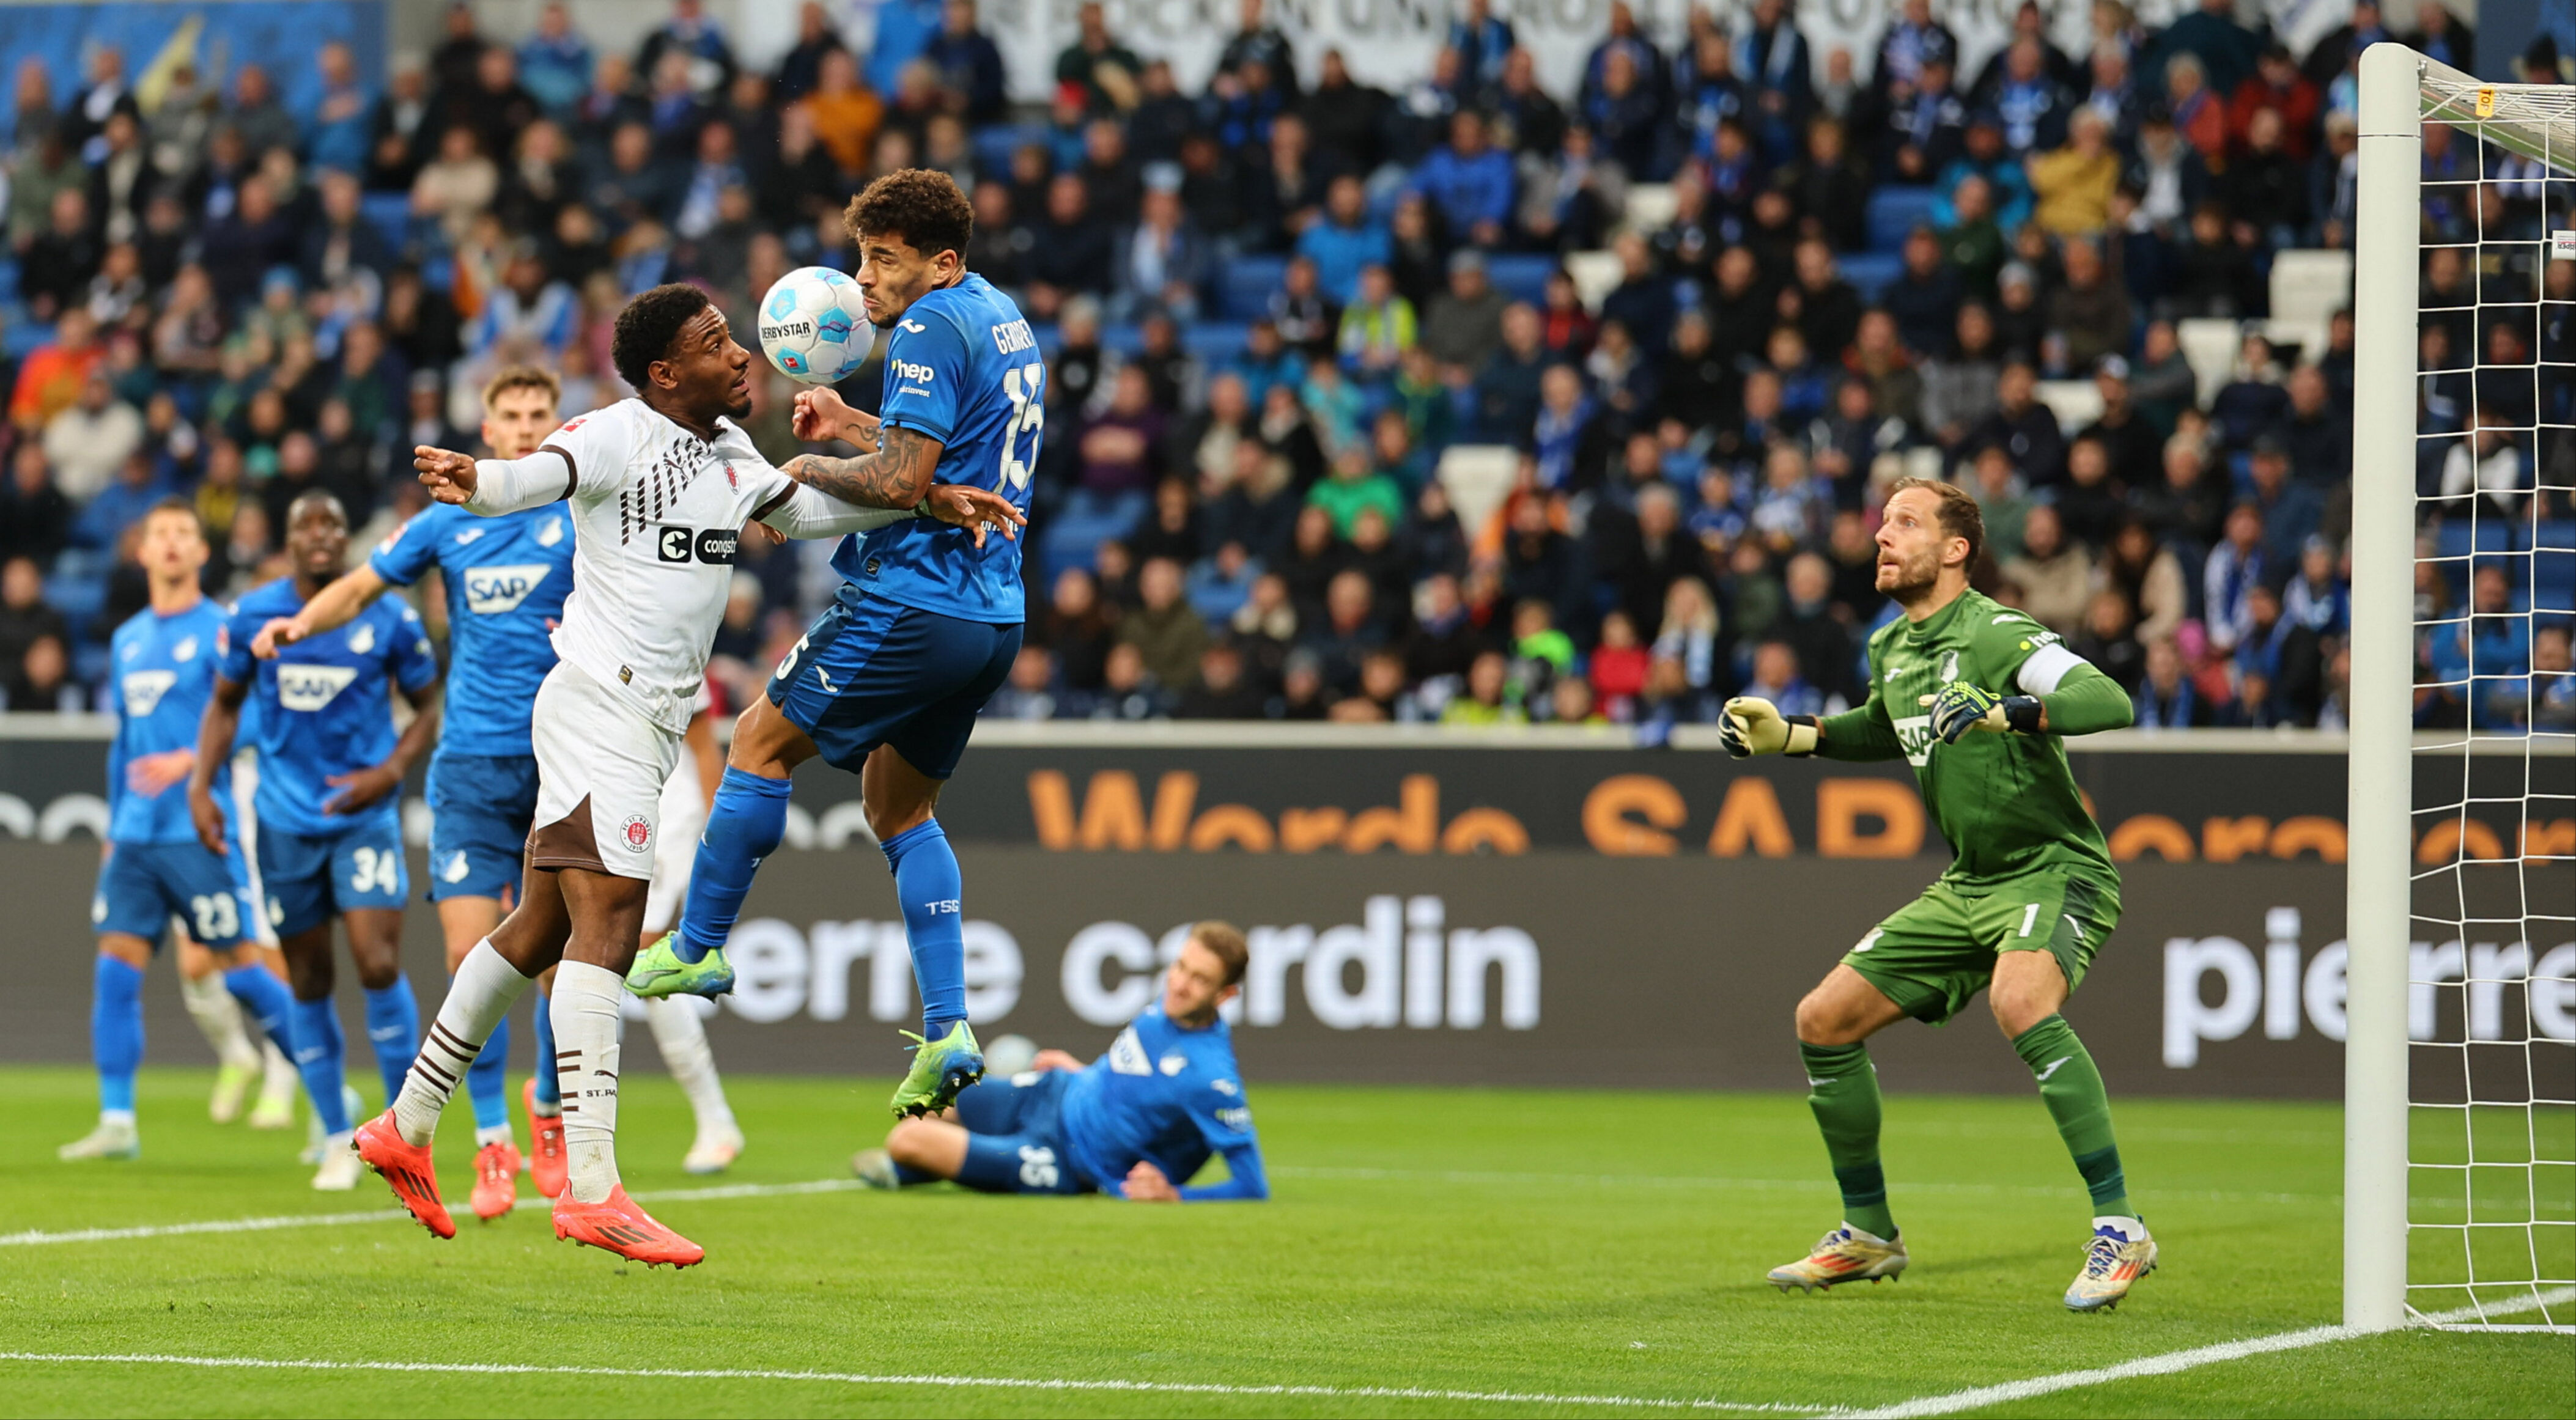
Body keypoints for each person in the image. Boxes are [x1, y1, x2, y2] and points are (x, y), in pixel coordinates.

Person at [360, 273, 1016, 1265]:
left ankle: (404, 1127)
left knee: (538, 926)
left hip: (648, 719)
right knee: (610, 924)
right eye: (717, 341)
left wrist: (924, 501)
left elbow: (802, 515)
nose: (741, 352)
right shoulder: (616, 432)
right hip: (598, 706)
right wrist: (480, 482)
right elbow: (538, 472)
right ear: (667, 372)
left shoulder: (727, 451)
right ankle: (591, 1188)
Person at [252, 367, 744, 1223]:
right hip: (471, 764)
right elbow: (364, 584)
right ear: (486, 424)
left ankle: (549, 1114)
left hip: (566, 756)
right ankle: (492, 1142)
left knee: (559, 960)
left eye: (538, 414)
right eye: (509, 416)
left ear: (560, 422)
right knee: (465, 949)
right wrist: (301, 624)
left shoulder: (589, 505)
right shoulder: (449, 521)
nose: (523, 428)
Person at [625, 168, 1041, 1137]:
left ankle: (696, 944)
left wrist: (808, 464)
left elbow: (901, 482)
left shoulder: (932, 325)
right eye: (861, 257)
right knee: (899, 806)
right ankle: (948, 1027)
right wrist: (853, 422)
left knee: (756, 743)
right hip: (991, 614)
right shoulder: (1002, 317)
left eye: (882, 259)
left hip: (914, 596)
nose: (863, 279)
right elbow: (939, 456)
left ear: (941, 261)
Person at [1720, 477, 2152, 1313]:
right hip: (1970, 880)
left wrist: (2010, 710)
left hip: (2052, 865)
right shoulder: (1892, 647)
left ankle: (2120, 1225)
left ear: (1955, 549)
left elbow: (2109, 698)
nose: (1882, 535)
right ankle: (1869, 1230)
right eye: (1881, 522)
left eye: (1905, 523)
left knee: (2020, 998)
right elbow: (1886, 727)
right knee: (1823, 1019)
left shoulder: (1996, 630)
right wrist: (1797, 737)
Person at [188, 492, 443, 1191]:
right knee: (307, 977)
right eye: (308, 524)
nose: (323, 535)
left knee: (378, 962)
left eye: (334, 522)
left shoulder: (387, 613)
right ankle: (336, 1135)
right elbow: (224, 703)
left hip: (362, 816)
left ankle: (405, 1131)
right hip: (283, 820)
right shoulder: (253, 613)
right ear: (290, 538)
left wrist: (389, 770)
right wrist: (199, 787)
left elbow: (429, 706)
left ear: (345, 537)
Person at [59, 501, 306, 1165]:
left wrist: (192, 760)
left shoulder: (223, 630)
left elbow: (258, 721)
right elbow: (125, 744)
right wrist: (114, 822)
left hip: (198, 827)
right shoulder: (127, 638)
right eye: (159, 535)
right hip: (136, 836)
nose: (170, 545)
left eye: (184, 535)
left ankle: (326, 1097)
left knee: (244, 970)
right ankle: (117, 1121)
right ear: (141, 553)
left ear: (202, 553)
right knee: (115, 973)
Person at [852, 922, 1268, 1203]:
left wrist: (1176, 1195)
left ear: (1225, 996)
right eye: (1180, 966)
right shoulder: (1167, 1007)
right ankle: (934, 1168)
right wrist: (1081, 1070)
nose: (1179, 983)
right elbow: (1137, 1085)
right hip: (1055, 1092)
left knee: (908, 1139)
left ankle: (914, 1169)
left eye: (1199, 979)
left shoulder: (1211, 1078)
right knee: (932, 1101)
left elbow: (1252, 1184)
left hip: (1066, 1158)